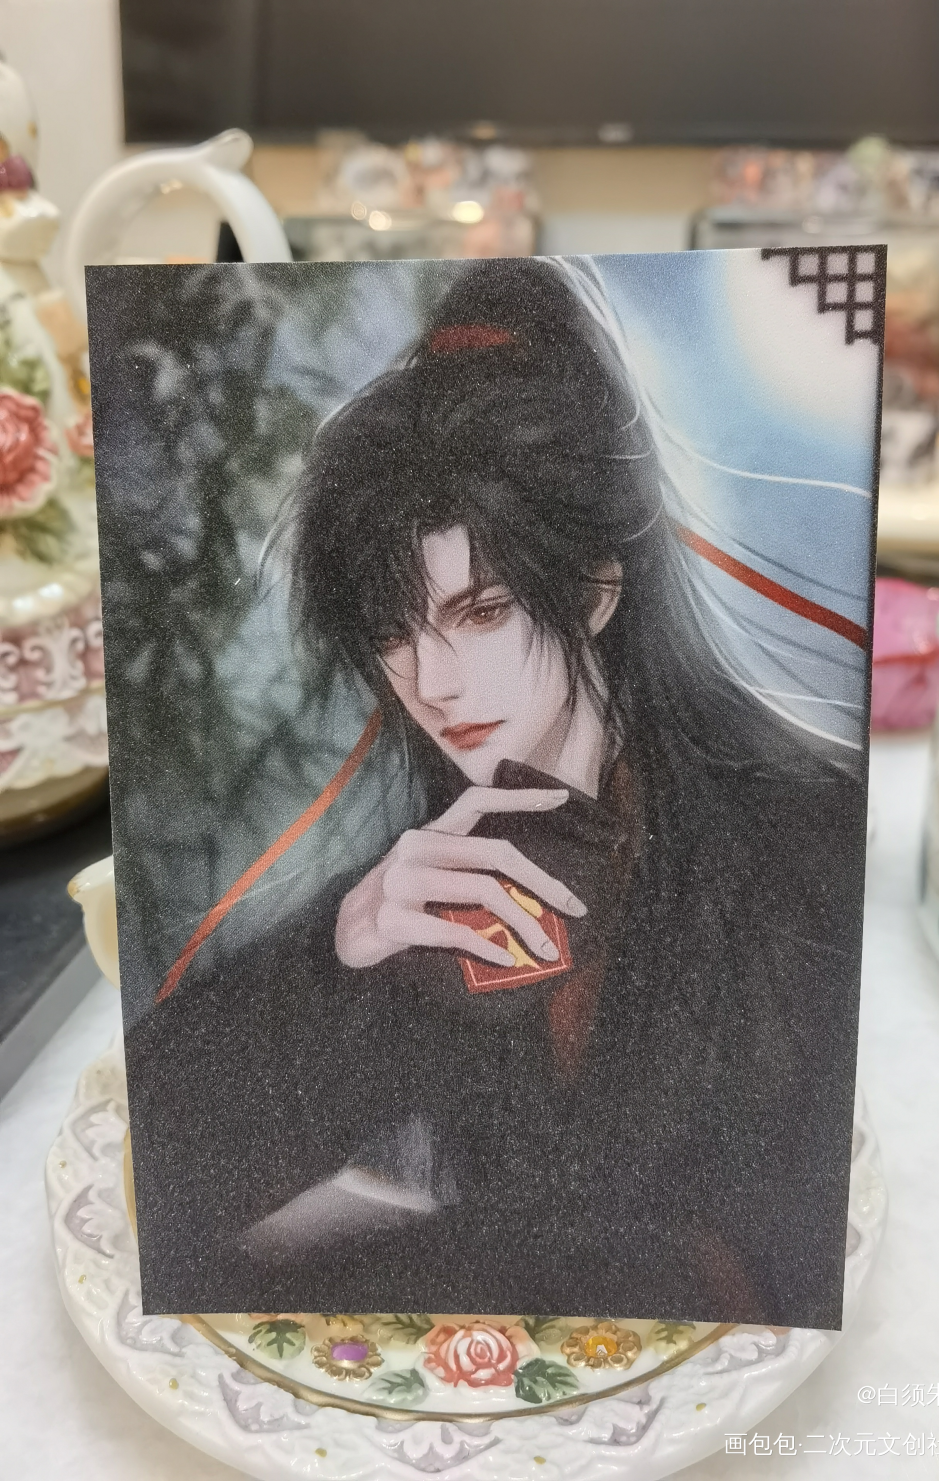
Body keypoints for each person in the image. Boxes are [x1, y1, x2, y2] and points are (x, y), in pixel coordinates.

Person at [125, 258, 866, 1325]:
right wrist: (346, 948)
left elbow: (770, 1240)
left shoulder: (796, 840)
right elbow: (158, 1179)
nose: (431, 681)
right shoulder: (428, 866)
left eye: (479, 612)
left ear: (596, 588)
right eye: (392, 632)